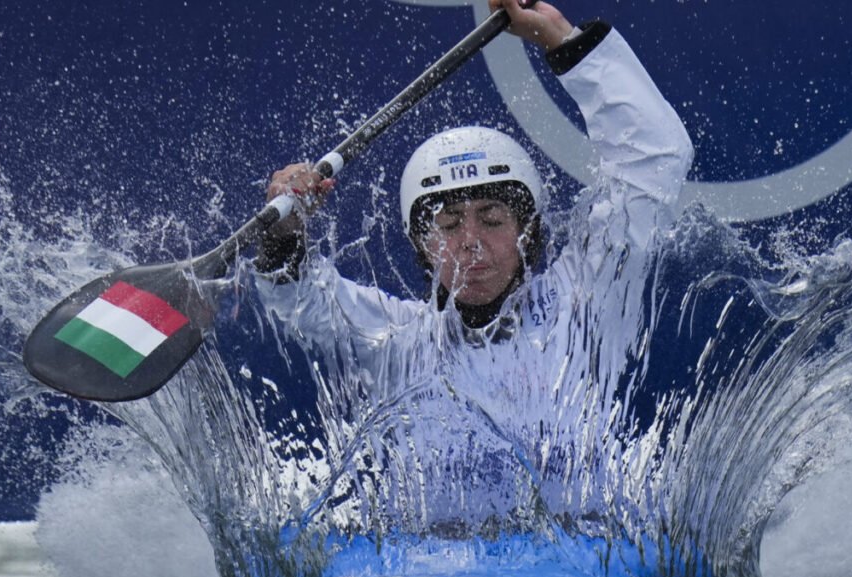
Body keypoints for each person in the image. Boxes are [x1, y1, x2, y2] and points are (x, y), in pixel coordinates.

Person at [254, 0, 693, 531]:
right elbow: (300, 299)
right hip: (431, 575)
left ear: (528, 231)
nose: (471, 244)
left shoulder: (586, 302)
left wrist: (562, 40)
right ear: (422, 245)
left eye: (492, 218)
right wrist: (283, 231)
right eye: (448, 224)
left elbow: (656, 158)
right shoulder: (397, 340)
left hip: (583, 568)